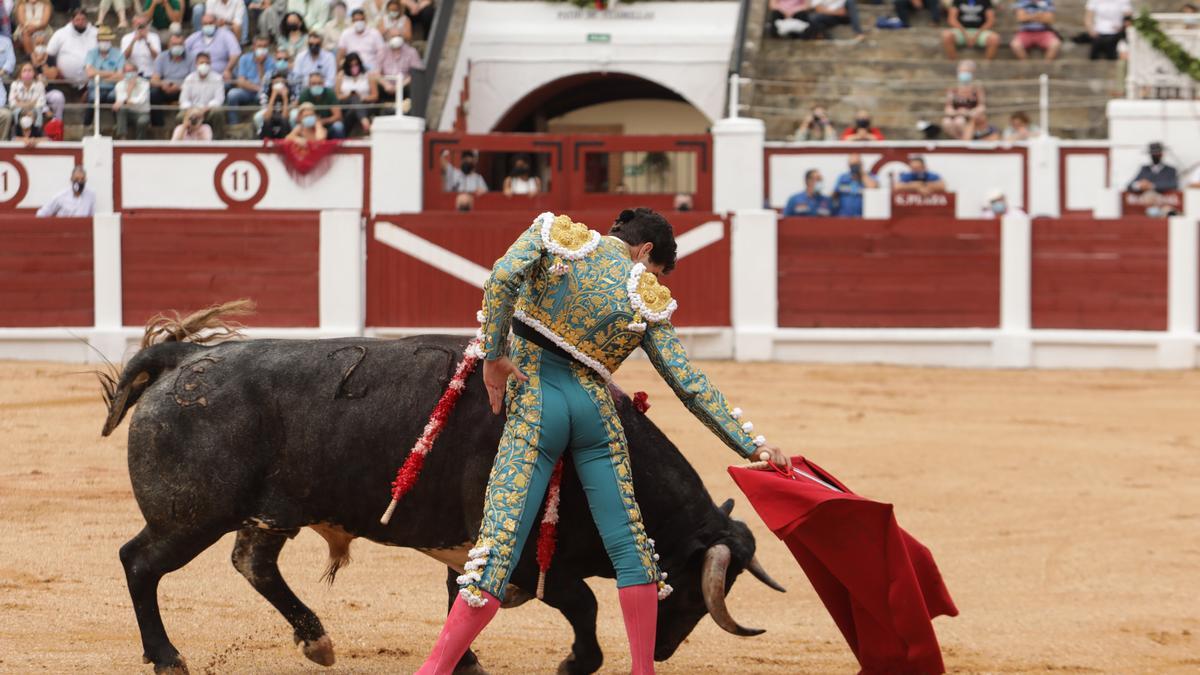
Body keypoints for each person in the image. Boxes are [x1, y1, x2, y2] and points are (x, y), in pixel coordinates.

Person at [414, 208, 789, 675]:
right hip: (596, 413)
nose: (650, 277)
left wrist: (494, 356)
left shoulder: (557, 237)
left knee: (497, 549)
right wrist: (752, 445)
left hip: (537, 404)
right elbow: (688, 383)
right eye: (653, 269)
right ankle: (641, 671)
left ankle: (434, 669)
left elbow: (503, 277)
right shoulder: (645, 297)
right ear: (646, 250)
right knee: (631, 550)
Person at [46, 9, 97, 96]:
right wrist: (56, 70)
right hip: (63, 80)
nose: (80, 22)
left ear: (87, 20)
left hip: (92, 79)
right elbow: (50, 55)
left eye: (83, 19)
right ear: (72, 21)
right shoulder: (60, 33)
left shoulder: (96, 33)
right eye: (77, 20)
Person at [228, 34, 275, 123]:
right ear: (254, 47)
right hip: (247, 91)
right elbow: (241, 82)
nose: (262, 49)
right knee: (232, 94)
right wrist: (257, 88)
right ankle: (233, 124)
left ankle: (262, 123)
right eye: (259, 46)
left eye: (265, 46)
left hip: (261, 92)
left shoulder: (271, 61)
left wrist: (260, 65)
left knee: (262, 96)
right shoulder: (244, 58)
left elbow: (265, 84)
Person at [179, 51, 225, 136]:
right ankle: (184, 142)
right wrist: (193, 110)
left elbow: (219, 99)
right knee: (180, 116)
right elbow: (183, 100)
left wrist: (203, 110)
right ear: (196, 64)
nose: (204, 65)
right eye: (201, 62)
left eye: (207, 63)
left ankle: (218, 141)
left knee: (218, 112)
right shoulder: (189, 79)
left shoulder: (217, 78)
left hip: (209, 111)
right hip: (192, 111)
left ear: (210, 64)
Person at [150, 32, 190, 126]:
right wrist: (162, 84)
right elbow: (154, 79)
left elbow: (195, 79)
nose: (177, 47)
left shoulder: (191, 57)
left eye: (180, 44)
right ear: (168, 45)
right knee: (153, 94)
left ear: (184, 45)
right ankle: (158, 126)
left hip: (184, 88)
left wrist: (179, 87)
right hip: (166, 88)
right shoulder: (161, 57)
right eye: (174, 44)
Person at [186, 14, 241, 79]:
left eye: (210, 23)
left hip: (220, 76)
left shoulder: (226, 34)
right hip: (196, 77)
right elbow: (183, 50)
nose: (208, 25)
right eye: (205, 24)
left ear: (216, 23)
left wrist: (228, 70)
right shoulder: (195, 37)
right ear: (201, 25)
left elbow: (235, 53)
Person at [376, 27, 420, 109]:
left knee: (413, 87)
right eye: (393, 36)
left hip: (404, 84)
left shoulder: (411, 51)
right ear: (388, 38)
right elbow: (376, 73)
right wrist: (386, 84)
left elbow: (415, 73)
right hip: (387, 85)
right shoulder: (382, 50)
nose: (396, 38)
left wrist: (400, 86)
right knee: (374, 85)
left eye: (399, 36)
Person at [942, 60, 985, 140]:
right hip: (956, 115)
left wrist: (969, 113)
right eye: (962, 71)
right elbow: (948, 107)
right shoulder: (953, 88)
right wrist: (956, 112)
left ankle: (965, 141)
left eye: (967, 71)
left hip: (970, 116)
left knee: (960, 121)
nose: (964, 73)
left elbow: (981, 106)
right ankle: (960, 141)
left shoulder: (977, 88)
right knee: (946, 122)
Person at [335, 50, 375, 133]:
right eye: (351, 65)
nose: (354, 67)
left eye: (356, 64)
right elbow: (337, 96)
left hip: (365, 104)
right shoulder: (341, 75)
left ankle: (347, 133)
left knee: (354, 107)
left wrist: (363, 97)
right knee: (354, 97)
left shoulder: (368, 75)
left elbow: (375, 95)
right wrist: (349, 95)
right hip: (345, 104)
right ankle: (365, 122)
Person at [85, 26, 125, 107]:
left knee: (114, 97)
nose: (105, 42)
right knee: (93, 99)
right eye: (102, 40)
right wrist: (112, 73)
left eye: (107, 40)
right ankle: (87, 120)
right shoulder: (91, 53)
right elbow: (89, 73)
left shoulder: (118, 54)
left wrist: (98, 74)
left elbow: (120, 75)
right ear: (98, 40)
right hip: (94, 86)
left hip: (113, 87)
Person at [296, 69, 345, 136]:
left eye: (319, 83)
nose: (317, 86)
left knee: (338, 126)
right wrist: (309, 121)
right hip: (309, 127)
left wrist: (322, 121)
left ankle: (338, 145)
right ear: (309, 85)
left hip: (327, 125)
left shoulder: (330, 93)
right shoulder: (304, 94)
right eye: (313, 84)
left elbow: (338, 116)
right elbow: (298, 117)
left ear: (323, 83)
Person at [112, 62, 151, 139]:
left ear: (136, 72)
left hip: (142, 113)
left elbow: (141, 100)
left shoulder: (145, 83)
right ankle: (122, 137)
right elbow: (120, 102)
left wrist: (126, 100)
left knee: (142, 122)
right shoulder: (120, 84)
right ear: (123, 73)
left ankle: (139, 142)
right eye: (127, 71)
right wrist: (129, 91)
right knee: (121, 109)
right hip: (127, 113)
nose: (129, 73)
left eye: (131, 71)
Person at [8, 62, 45, 129]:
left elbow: (41, 103)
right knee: (17, 112)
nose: (27, 73)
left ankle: (36, 132)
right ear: (20, 74)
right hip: (20, 111)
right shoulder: (15, 85)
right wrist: (30, 104)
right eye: (24, 70)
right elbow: (12, 104)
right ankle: (18, 132)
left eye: (30, 70)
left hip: (34, 111)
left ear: (34, 73)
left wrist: (21, 103)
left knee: (38, 111)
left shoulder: (39, 85)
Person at [257, 69, 290, 137]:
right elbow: (267, 116)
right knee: (267, 122)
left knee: (284, 122)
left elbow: (285, 116)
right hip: (271, 118)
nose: (279, 85)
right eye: (276, 82)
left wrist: (285, 98)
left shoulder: (289, 94)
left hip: (283, 120)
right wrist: (273, 95)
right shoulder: (265, 95)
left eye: (282, 82)